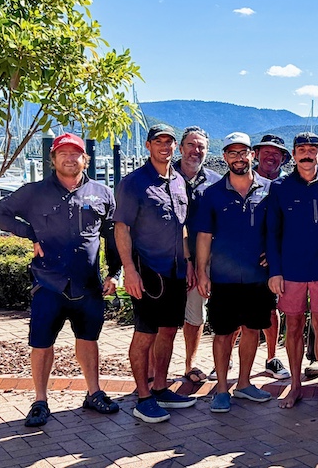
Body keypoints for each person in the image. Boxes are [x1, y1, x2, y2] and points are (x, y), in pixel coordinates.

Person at [0, 133, 120, 427]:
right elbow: (0, 212)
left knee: (88, 340)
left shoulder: (103, 193)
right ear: (53, 159)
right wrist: (30, 233)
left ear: (84, 159)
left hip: (88, 285)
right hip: (48, 284)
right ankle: (40, 401)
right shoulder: (34, 192)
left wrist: (115, 273)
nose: (69, 158)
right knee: (41, 344)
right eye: (62, 153)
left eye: (75, 153)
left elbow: (114, 237)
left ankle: (94, 393)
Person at [114, 124, 194, 423]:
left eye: (169, 142)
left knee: (169, 331)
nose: (164, 146)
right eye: (158, 141)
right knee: (145, 335)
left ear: (175, 147)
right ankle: (143, 397)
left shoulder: (179, 181)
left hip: (175, 272)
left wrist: (189, 263)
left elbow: (182, 227)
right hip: (147, 273)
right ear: (148, 146)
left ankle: (160, 388)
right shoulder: (133, 182)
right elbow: (121, 228)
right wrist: (129, 271)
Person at [195, 133, 274, 413]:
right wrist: (202, 272)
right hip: (223, 278)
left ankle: (244, 383)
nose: (238, 158)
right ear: (225, 157)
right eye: (232, 153)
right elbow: (204, 236)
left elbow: (277, 229)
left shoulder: (270, 190)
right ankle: (221, 389)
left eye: (243, 152)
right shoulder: (212, 193)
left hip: (258, 277)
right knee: (223, 333)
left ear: (252, 155)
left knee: (252, 330)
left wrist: (273, 254)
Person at [266, 132, 318, 409]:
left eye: (312, 150)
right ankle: (295, 386)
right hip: (291, 271)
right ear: (294, 155)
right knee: (294, 327)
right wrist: (275, 271)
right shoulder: (280, 187)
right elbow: (272, 233)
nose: (307, 154)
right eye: (302, 150)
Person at [172, 126, 222, 386]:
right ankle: (155, 368)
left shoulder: (215, 181)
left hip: (206, 259)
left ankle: (190, 363)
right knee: (165, 317)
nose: (196, 150)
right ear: (181, 148)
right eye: (191, 145)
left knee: (196, 314)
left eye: (201, 146)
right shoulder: (166, 177)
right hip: (170, 258)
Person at [252, 133, 293, 380]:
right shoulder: (244, 179)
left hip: (274, 258)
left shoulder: (288, 184)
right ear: (256, 154)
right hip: (245, 257)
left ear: (284, 158)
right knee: (239, 310)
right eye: (266, 151)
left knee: (271, 308)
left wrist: (275, 252)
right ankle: (228, 361)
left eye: (276, 153)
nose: (271, 156)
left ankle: (271, 357)